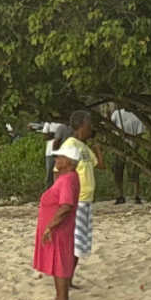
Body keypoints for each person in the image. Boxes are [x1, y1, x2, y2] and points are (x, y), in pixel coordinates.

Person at [34, 146, 80, 300]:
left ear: (68, 161)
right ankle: (60, 297)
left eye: (59, 157)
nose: (56, 160)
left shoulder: (68, 179)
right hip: (61, 227)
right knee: (58, 260)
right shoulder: (67, 176)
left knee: (60, 261)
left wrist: (50, 226)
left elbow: (66, 205)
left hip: (60, 228)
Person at [58, 110, 100, 269]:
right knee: (73, 243)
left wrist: (98, 149)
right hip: (77, 200)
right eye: (89, 125)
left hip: (86, 199)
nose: (91, 128)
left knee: (79, 244)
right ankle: (66, 279)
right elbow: (59, 174)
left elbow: (99, 165)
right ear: (81, 126)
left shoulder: (83, 147)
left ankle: (69, 278)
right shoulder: (69, 145)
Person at [107, 104, 147, 203]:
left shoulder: (137, 116)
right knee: (117, 172)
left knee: (134, 173)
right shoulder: (117, 113)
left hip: (132, 147)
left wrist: (135, 149)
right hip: (119, 147)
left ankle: (136, 195)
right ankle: (120, 195)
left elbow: (140, 134)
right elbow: (111, 127)